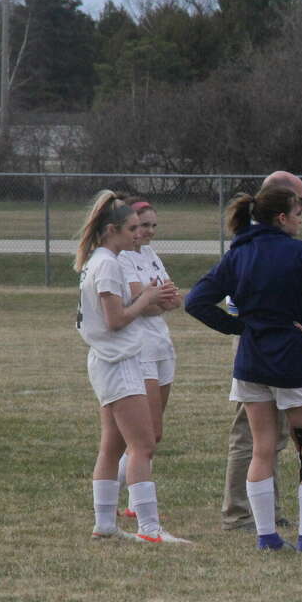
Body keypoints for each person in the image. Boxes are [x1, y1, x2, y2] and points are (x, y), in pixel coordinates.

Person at [186, 184, 302, 552]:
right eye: (298, 212)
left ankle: (267, 536)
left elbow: (195, 301)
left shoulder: (239, 252)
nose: (301, 218)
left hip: (251, 363)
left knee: (262, 448)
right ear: (282, 217)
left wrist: (240, 327)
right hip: (293, 360)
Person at [74, 190, 188, 544]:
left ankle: (104, 524)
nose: (138, 233)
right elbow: (115, 320)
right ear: (112, 230)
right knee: (143, 445)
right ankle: (150, 529)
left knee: (112, 446)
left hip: (110, 360)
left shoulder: (100, 259)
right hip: (118, 360)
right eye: (133, 227)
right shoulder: (108, 263)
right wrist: (147, 299)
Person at [219, 171, 302, 532]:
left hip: (275, 340)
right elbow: (232, 299)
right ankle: (239, 511)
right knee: (253, 433)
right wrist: (244, 326)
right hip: (260, 344)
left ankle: (266, 508)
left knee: (275, 433)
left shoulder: (269, 239)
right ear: (281, 207)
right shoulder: (253, 241)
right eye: (300, 203)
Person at [114, 198, 181, 518]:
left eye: (152, 225)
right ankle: (113, 493)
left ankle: (129, 500)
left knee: (155, 433)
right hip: (140, 349)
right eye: (141, 225)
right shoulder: (121, 258)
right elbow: (141, 299)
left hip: (161, 345)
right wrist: (155, 299)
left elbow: (169, 297)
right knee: (146, 435)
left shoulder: (151, 254)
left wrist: (157, 298)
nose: (147, 232)